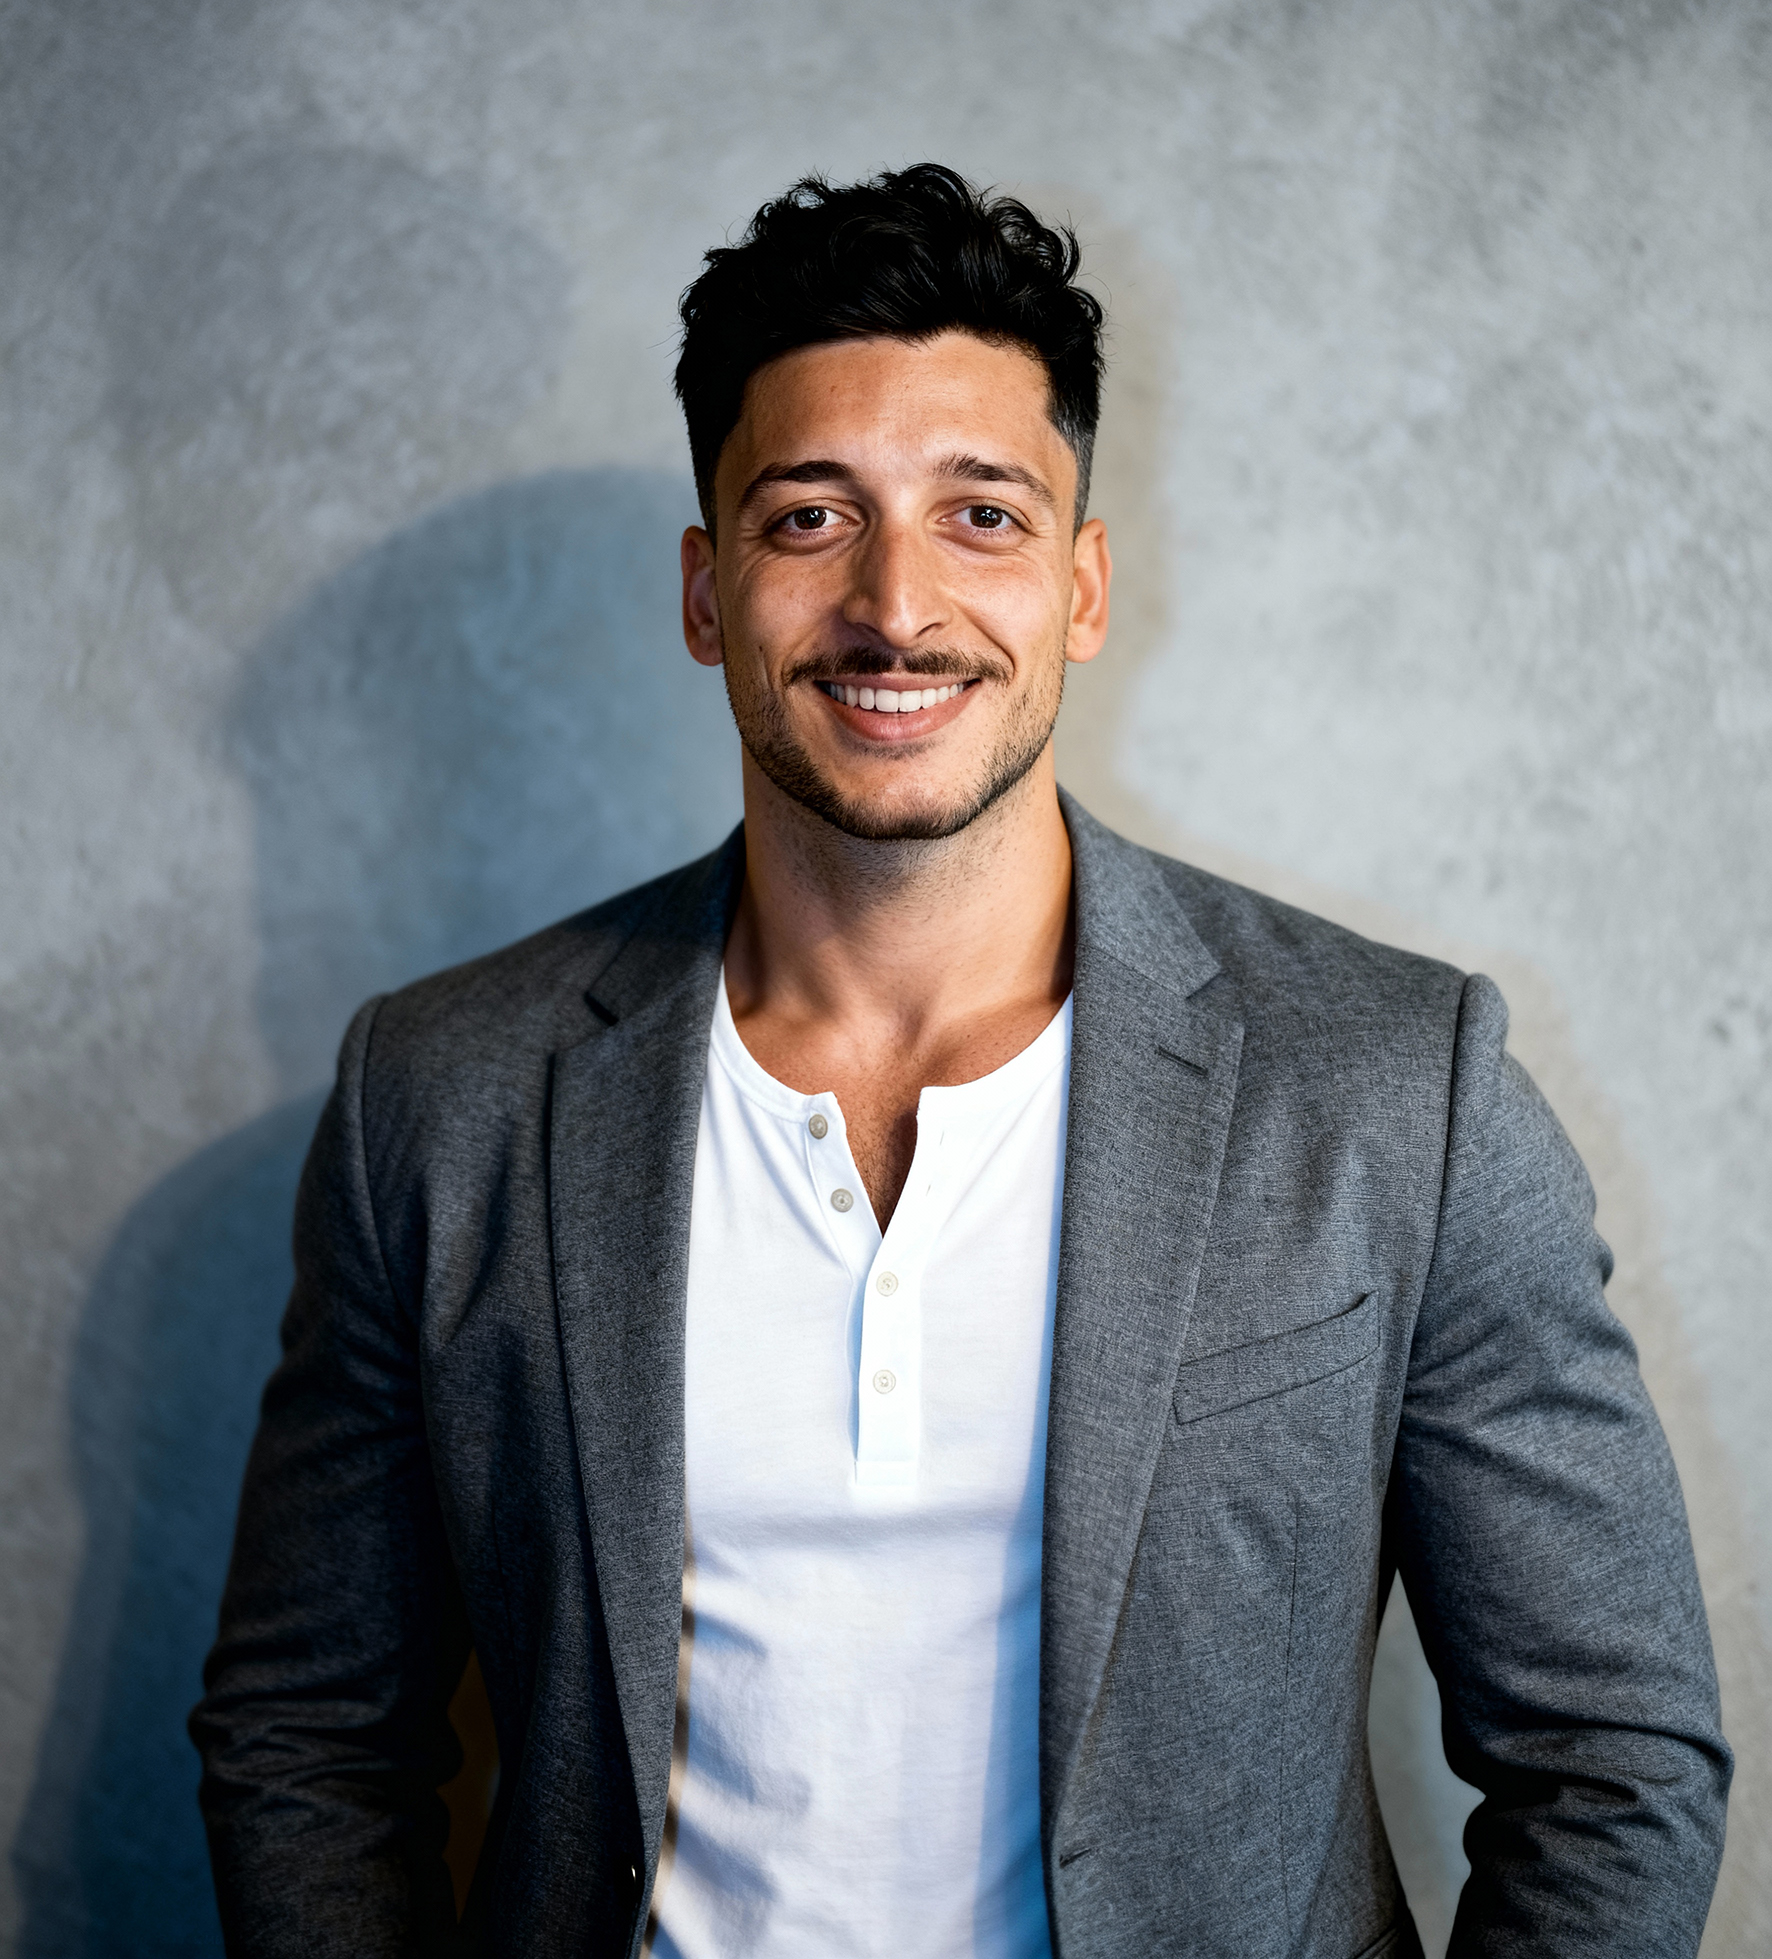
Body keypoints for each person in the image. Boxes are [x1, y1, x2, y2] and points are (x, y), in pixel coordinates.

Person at [192, 164, 1730, 1959]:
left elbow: (1613, 1758)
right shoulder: (443, 1100)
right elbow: (305, 1735)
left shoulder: (1402, 1086)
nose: (896, 604)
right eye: (808, 518)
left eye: (982, 515)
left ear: (1083, 586)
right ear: (707, 594)